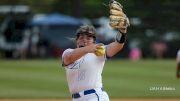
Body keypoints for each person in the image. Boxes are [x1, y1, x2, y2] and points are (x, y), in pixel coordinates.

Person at [61, 0, 130, 100]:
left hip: (95, 96)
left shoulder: (99, 52)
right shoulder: (68, 52)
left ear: (94, 41)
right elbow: (69, 58)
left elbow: (118, 45)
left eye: (88, 38)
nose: (84, 40)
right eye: (81, 38)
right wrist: (88, 49)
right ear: (76, 41)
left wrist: (122, 31)